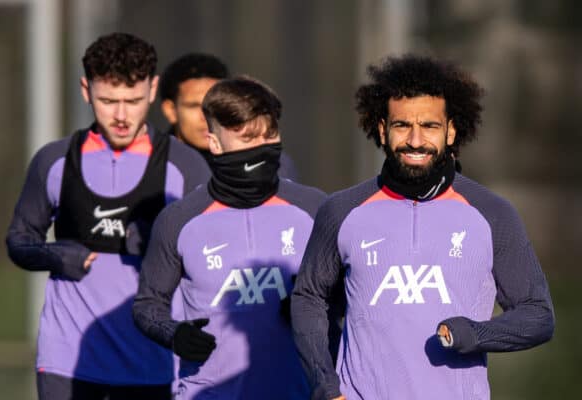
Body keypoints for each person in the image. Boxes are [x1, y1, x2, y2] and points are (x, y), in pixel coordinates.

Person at [290, 54, 555, 400]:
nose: (416, 140)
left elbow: (537, 314)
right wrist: (325, 386)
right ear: (383, 129)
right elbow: (308, 298)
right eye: (402, 126)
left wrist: (476, 333)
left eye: (430, 126)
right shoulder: (340, 211)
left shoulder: (492, 214)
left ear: (451, 131)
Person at [6, 32, 210, 400]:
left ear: (153, 89)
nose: (120, 115)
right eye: (107, 100)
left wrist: (159, 244)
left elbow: (214, 254)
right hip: (67, 363)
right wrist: (56, 254)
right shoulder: (54, 161)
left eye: (132, 101)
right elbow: (19, 242)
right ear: (86, 90)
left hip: (155, 363)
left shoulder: (185, 166)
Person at [133, 76, 325, 399]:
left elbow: (354, 292)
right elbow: (148, 305)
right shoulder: (180, 220)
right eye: (248, 138)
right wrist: (175, 334)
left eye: (270, 135)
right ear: (215, 143)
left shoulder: (316, 209)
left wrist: (314, 307)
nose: (262, 148)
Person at [159, 52, 300, 180]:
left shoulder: (273, 164)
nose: (206, 117)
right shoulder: (151, 166)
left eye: (215, 106)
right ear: (170, 110)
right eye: (194, 106)